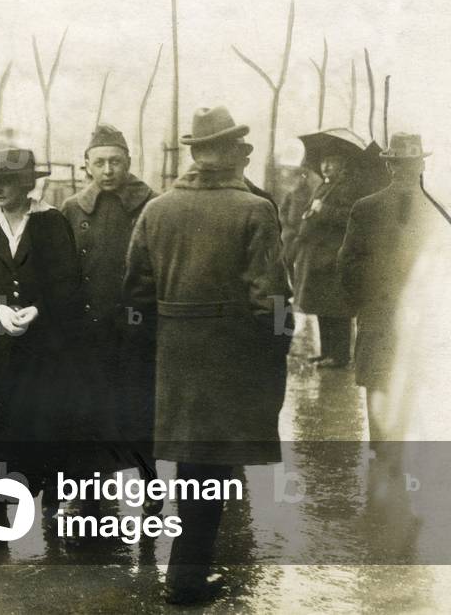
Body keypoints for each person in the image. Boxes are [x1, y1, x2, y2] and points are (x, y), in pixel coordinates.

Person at [123, 107, 291, 605]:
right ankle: (186, 578)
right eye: (238, 147)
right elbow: (273, 299)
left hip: (175, 356)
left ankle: (187, 571)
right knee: (211, 467)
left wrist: (154, 348)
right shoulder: (255, 210)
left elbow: (134, 296)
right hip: (231, 356)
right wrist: (279, 343)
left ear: (197, 154)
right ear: (229, 153)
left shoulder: (156, 210)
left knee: (195, 463)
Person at [0, 144, 82, 554]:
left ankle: (57, 509)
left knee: (44, 429)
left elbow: (70, 285)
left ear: (27, 184)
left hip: (42, 353)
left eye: (8, 181)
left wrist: (38, 309)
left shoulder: (51, 222)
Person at [60, 124, 159, 524]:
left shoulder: (151, 204)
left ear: (128, 162)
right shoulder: (72, 209)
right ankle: (87, 498)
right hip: (89, 332)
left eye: (115, 161)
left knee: (139, 412)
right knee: (88, 415)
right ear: (86, 164)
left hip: (137, 330)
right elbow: (62, 271)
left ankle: (151, 487)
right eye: (99, 162)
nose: (107, 170)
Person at [338, 133, 435, 445]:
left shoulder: (366, 208)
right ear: (421, 165)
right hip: (427, 326)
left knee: (379, 400)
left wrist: (360, 306)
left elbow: (348, 266)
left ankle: (382, 465)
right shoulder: (439, 209)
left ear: (390, 165)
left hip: (378, 321)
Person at [292, 149, 370, 368]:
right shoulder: (325, 186)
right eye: (323, 161)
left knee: (336, 308)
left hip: (333, 256)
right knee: (322, 306)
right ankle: (327, 352)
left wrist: (324, 209)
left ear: (342, 164)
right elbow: (312, 210)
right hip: (317, 257)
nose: (325, 166)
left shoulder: (348, 188)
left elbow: (350, 218)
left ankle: (340, 356)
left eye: (331, 162)